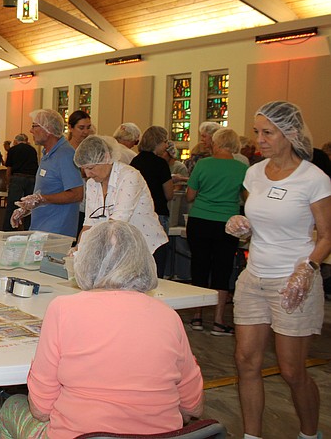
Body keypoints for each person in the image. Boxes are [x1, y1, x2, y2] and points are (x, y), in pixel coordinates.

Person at [0, 221, 203, 439]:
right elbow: (193, 407)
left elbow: (40, 409)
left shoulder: (64, 309)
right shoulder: (168, 316)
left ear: (86, 260)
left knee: (12, 406)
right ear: (143, 261)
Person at [225, 101, 330, 439]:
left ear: (291, 134)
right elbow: (259, 221)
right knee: (246, 362)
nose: (260, 139)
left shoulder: (313, 179)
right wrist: (242, 225)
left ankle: (309, 434)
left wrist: (309, 268)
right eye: (257, 132)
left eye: (267, 133)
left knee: (291, 369)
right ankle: (251, 435)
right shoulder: (254, 173)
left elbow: (327, 235)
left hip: (292, 279)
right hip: (254, 277)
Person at [185, 127, 247, 336]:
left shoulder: (203, 164)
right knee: (223, 269)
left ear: (217, 143)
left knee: (200, 267)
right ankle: (219, 321)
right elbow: (247, 197)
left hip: (200, 220)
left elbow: (190, 196)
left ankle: (197, 316)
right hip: (227, 222)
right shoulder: (241, 168)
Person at [73, 135, 168, 253]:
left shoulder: (129, 176)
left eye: (91, 168)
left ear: (106, 158)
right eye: (84, 169)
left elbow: (117, 223)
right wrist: (79, 248)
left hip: (147, 247)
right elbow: (89, 224)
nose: (88, 174)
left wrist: (90, 252)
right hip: (119, 250)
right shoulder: (92, 183)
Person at [11, 110, 84, 238]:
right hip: (41, 228)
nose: (31, 131)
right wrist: (26, 207)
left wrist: (42, 199)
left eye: (34, 126)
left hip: (56, 232)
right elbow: (47, 190)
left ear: (48, 129)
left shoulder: (65, 154)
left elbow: (77, 194)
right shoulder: (48, 153)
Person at [131, 126, 175, 276]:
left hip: (137, 215)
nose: (166, 146)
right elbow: (169, 194)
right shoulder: (160, 163)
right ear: (157, 142)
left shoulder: (135, 161)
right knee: (156, 257)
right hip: (157, 213)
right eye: (164, 142)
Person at [3, 133, 39, 231]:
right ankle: (29, 230)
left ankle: (9, 231)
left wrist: (8, 182)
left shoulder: (12, 150)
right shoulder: (32, 150)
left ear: (15, 141)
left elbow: (9, 168)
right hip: (31, 179)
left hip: (17, 178)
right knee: (29, 206)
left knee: (13, 205)